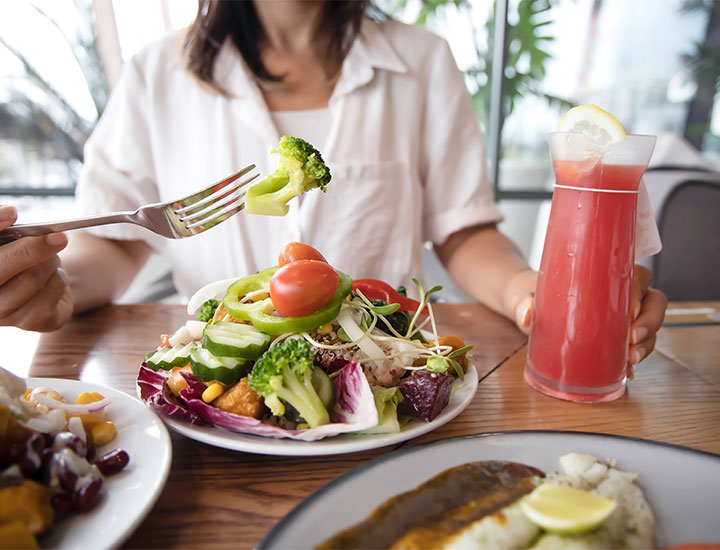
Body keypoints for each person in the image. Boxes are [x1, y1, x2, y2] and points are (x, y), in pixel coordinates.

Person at [0, 0, 666, 368]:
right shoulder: (155, 75)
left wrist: (531, 295)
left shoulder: (422, 61)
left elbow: (464, 232)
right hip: (215, 386)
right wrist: (49, 288)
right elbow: (114, 243)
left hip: (387, 378)